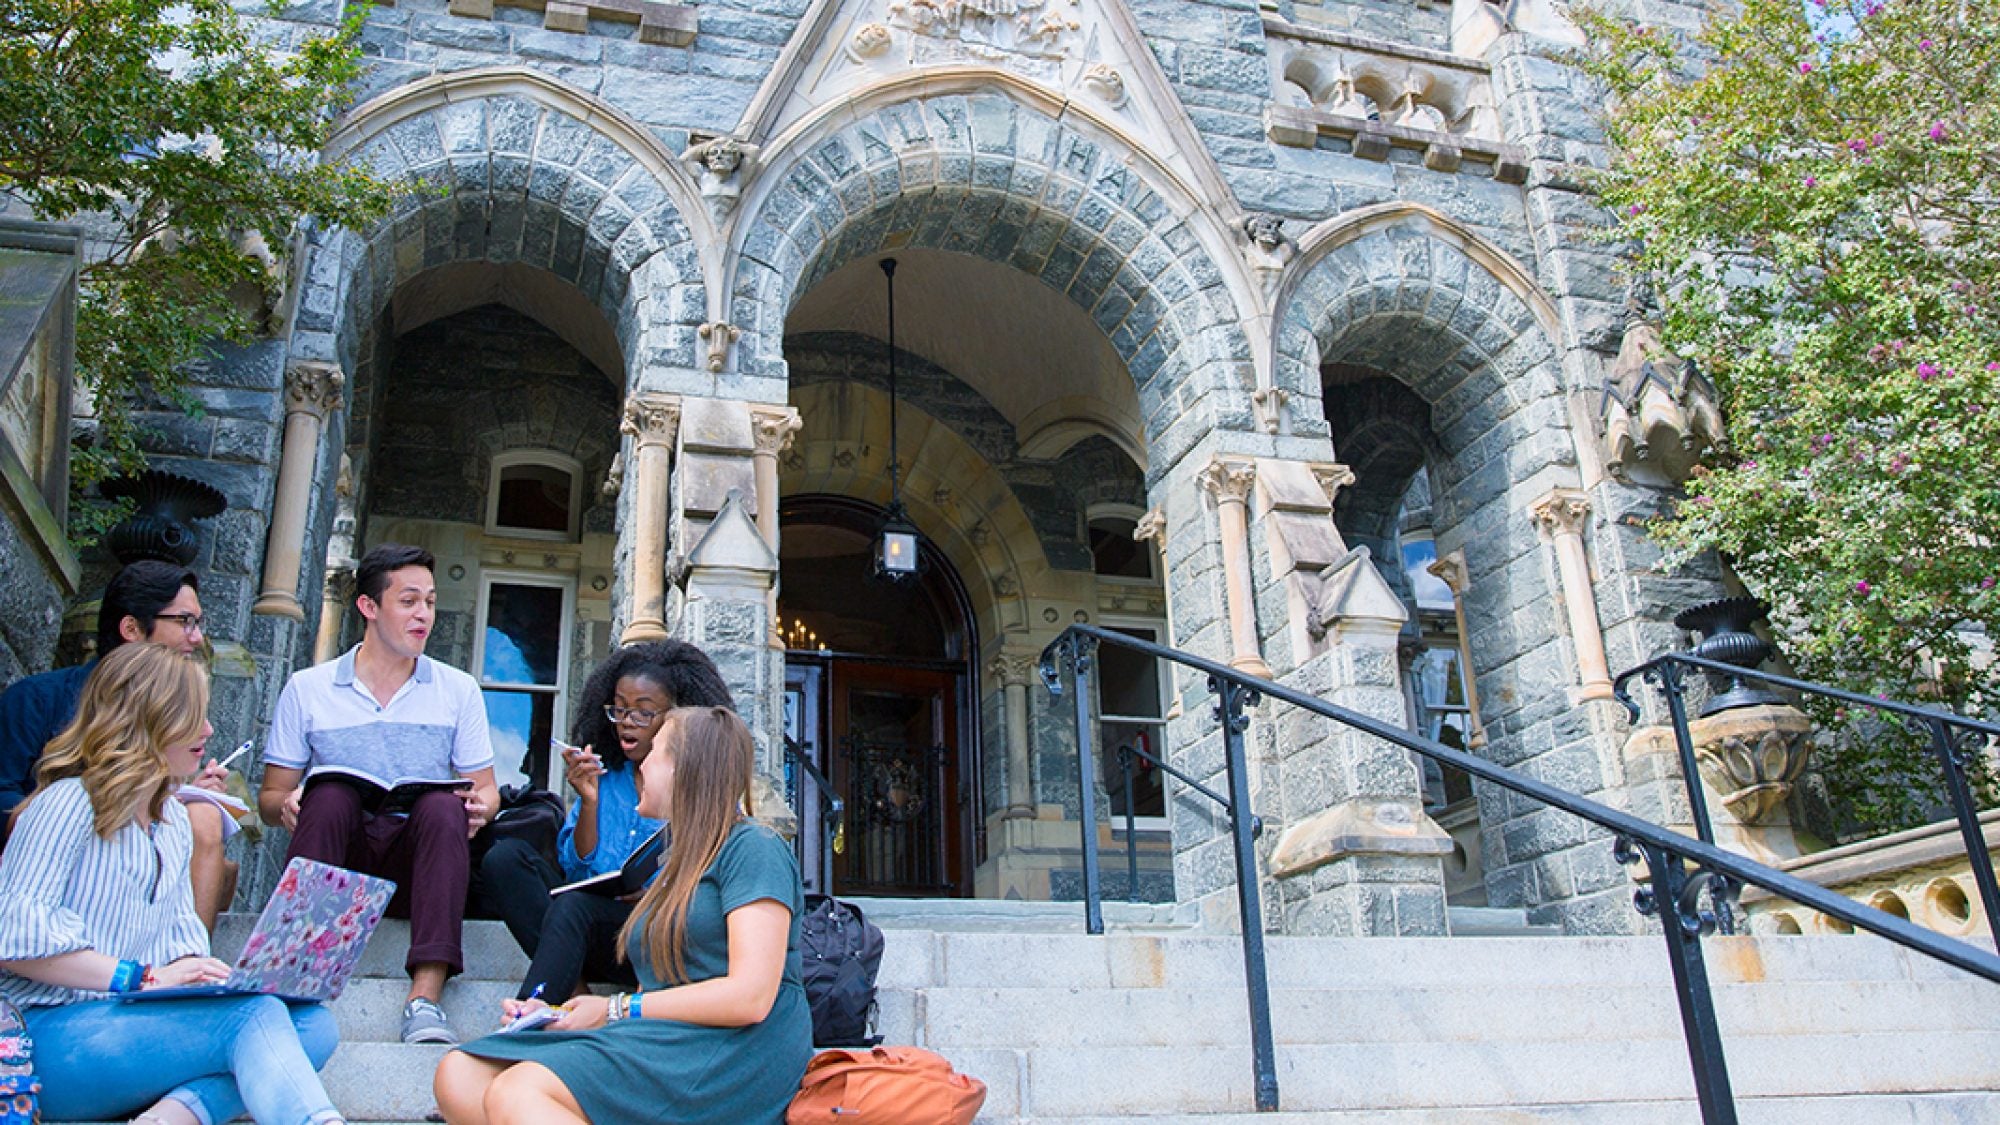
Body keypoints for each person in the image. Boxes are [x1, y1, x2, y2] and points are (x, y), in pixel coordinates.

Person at [0, 643, 346, 1125]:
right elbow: (14, 943)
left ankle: (169, 1118)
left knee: (313, 1025)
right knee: (251, 1019)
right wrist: (142, 977)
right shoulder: (66, 803)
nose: (208, 731)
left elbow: (181, 944)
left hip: (126, 1029)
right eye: (193, 716)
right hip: (44, 1042)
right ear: (148, 720)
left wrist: (226, 978)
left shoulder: (172, 822)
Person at [434, 706, 813, 1125]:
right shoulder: (673, 861)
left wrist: (615, 1010)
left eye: (654, 753)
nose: (642, 764)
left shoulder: (754, 848)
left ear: (683, 770)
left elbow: (751, 997)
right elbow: (655, 984)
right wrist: (570, 1015)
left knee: (518, 1090)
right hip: (662, 1038)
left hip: (736, 1049)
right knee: (460, 1074)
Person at [258, 543, 499, 1046]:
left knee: (441, 805)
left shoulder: (457, 690)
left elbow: (487, 790)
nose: (424, 615)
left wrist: (481, 807)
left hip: (419, 867)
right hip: (340, 856)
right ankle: (296, 986)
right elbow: (270, 796)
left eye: (430, 602)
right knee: (329, 797)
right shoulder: (309, 688)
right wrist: (287, 804)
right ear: (369, 607)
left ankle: (425, 999)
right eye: (409, 601)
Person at [480, 640, 736, 1006]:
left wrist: (655, 894)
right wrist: (589, 801)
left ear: (679, 715)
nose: (627, 722)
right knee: (505, 860)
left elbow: (719, 884)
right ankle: (573, 991)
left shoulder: (703, 787)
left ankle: (533, 1014)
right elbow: (578, 871)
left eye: (643, 712)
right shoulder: (606, 775)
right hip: (590, 927)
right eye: (619, 710)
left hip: (662, 937)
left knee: (575, 908)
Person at [0, 560, 239, 929]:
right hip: (58, 856)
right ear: (131, 628)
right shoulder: (35, 700)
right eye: (184, 622)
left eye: (199, 623)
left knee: (204, 817)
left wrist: (184, 791)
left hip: (143, 851)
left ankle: (191, 971)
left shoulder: (176, 711)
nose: (197, 638)